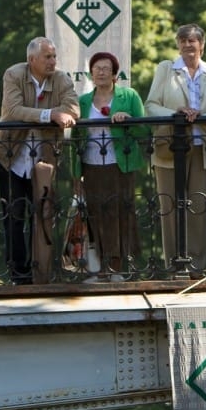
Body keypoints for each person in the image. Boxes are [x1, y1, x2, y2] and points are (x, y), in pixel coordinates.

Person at [0, 37, 80, 284]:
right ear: (32, 60)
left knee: (43, 216)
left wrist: (60, 113)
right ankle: (18, 276)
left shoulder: (61, 78)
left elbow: (73, 109)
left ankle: (42, 273)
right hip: (10, 156)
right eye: (48, 57)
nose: (53, 61)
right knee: (13, 215)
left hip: (45, 159)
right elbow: (12, 110)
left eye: (54, 56)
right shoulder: (13, 74)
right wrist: (50, 114)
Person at [144, 24, 206, 274]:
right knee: (169, 207)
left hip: (204, 147)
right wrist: (177, 114)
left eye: (192, 41)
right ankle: (174, 266)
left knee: (199, 207)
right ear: (178, 44)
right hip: (170, 148)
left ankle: (198, 267)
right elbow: (151, 105)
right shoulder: (166, 69)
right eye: (183, 40)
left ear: (202, 45)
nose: (187, 45)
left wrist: (201, 116)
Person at [72, 52, 146, 282]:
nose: (101, 71)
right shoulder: (83, 101)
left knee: (119, 214)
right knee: (94, 214)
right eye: (96, 68)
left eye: (106, 68)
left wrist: (128, 121)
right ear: (91, 74)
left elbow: (144, 131)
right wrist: (76, 176)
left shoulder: (129, 96)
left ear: (115, 74)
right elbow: (75, 139)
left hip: (120, 165)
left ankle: (118, 267)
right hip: (91, 165)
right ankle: (98, 267)